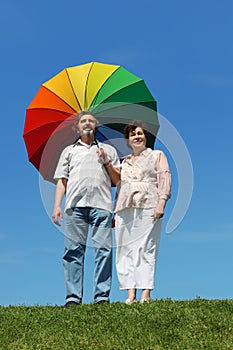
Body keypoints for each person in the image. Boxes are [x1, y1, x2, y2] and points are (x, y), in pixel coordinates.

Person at [52, 111, 120, 307]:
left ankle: (101, 297)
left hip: (102, 205)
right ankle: (73, 298)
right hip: (75, 207)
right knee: (72, 251)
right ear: (77, 127)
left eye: (91, 120)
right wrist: (57, 206)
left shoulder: (108, 150)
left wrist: (106, 161)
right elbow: (62, 181)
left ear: (96, 125)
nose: (87, 123)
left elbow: (118, 181)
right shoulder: (69, 151)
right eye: (83, 121)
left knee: (103, 251)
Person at [114, 120, 171, 304]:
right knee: (126, 249)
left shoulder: (157, 155)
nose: (137, 136)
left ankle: (145, 293)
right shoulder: (125, 162)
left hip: (148, 204)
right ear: (128, 140)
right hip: (125, 208)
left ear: (146, 137)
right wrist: (115, 213)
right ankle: (131, 294)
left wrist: (161, 202)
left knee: (146, 248)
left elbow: (164, 178)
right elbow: (120, 187)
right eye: (132, 134)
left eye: (140, 133)